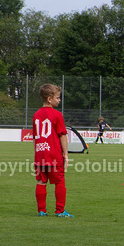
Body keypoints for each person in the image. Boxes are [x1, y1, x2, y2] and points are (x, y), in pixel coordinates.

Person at [33, 84, 72, 217]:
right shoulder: (57, 115)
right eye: (57, 97)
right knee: (60, 181)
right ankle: (60, 211)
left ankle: (41, 211)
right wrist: (65, 154)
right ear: (50, 99)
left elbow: (35, 137)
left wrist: (38, 152)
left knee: (41, 181)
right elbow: (62, 135)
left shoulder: (36, 115)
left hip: (40, 154)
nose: (59, 100)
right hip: (54, 155)